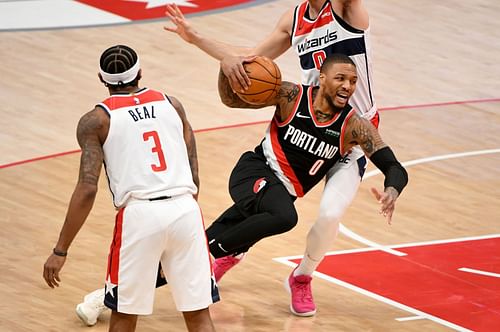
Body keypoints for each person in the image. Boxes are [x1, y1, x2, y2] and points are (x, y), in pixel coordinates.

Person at [164, 0, 380, 317]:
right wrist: (195, 37)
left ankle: (302, 276)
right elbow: (250, 58)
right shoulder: (294, 20)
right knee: (268, 196)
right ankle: (233, 250)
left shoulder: (346, 10)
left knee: (330, 215)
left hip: (353, 137)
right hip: (312, 131)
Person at [42, 45, 218, 332]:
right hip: (186, 210)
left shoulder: (96, 121)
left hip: (140, 217)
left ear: (101, 78)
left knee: (124, 315)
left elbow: (88, 188)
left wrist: (60, 250)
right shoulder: (172, 104)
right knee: (199, 316)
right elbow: (193, 170)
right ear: (140, 73)